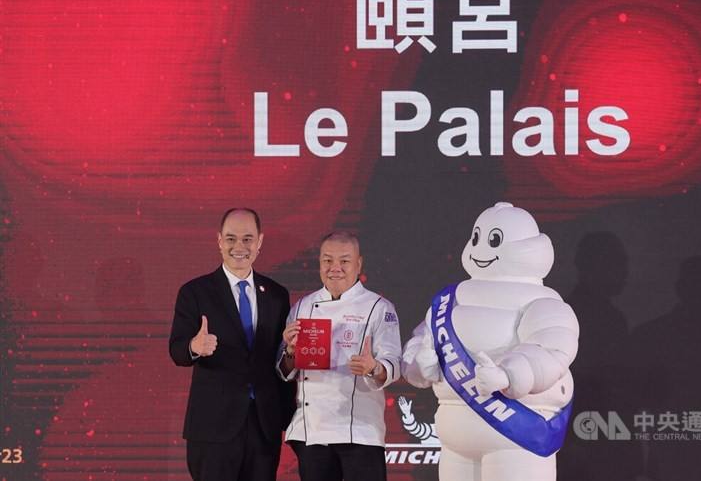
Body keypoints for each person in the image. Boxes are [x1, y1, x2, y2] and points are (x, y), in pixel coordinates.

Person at [403, 202, 578, 481]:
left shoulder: (542, 301)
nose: (482, 249)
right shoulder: (450, 299)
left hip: (517, 433)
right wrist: (419, 364)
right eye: (477, 238)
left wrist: (510, 374)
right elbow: (421, 344)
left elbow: (552, 349)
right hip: (454, 434)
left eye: (494, 240)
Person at [169, 208, 295, 481]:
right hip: (213, 426)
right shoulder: (195, 292)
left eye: (248, 239)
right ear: (219, 240)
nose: (239, 246)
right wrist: (194, 346)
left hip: (263, 425)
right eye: (231, 239)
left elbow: (279, 360)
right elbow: (176, 350)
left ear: (260, 241)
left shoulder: (276, 295)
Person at [278, 231, 401, 481]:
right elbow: (285, 370)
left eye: (344, 261)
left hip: (360, 431)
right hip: (313, 431)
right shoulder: (302, 306)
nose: (335, 268)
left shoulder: (379, 308)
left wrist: (373, 367)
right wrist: (290, 351)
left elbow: (394, 363)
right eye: (327, 260)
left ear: (358, 264)